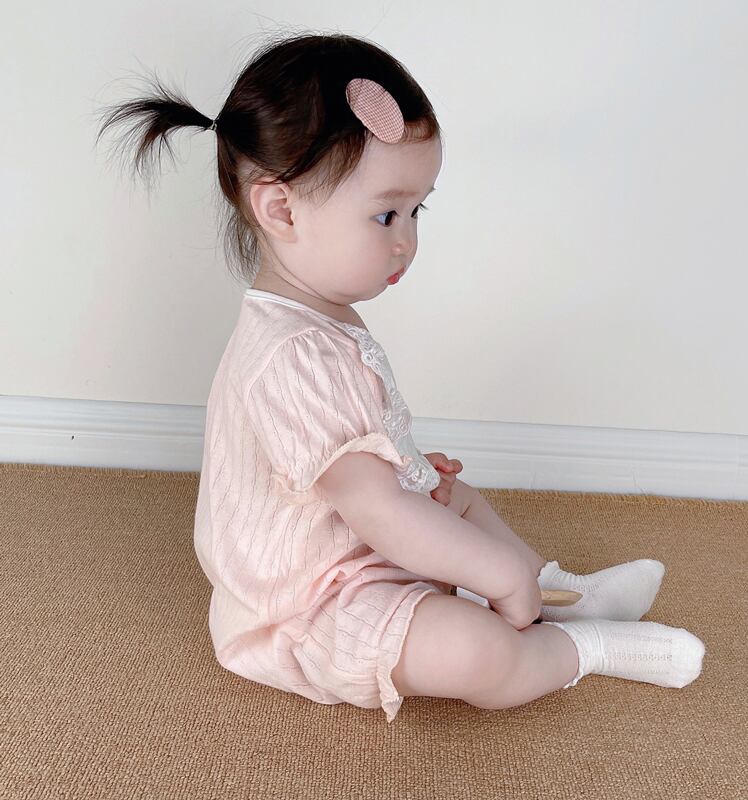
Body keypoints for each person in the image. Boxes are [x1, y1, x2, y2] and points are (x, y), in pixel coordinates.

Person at [95, 30, 705, 725]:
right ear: (282, 210)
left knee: (451, 497)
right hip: (308, 607)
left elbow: (353, 466)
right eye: (386, 214)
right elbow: (374, 508)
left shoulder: (320, 315)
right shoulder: (290, 354)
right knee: (475, 650)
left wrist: (408, 468)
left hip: (354, 547)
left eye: (418, 211)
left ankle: (562, 592)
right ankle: (579, 647)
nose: (406, 240)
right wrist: (486, 568)